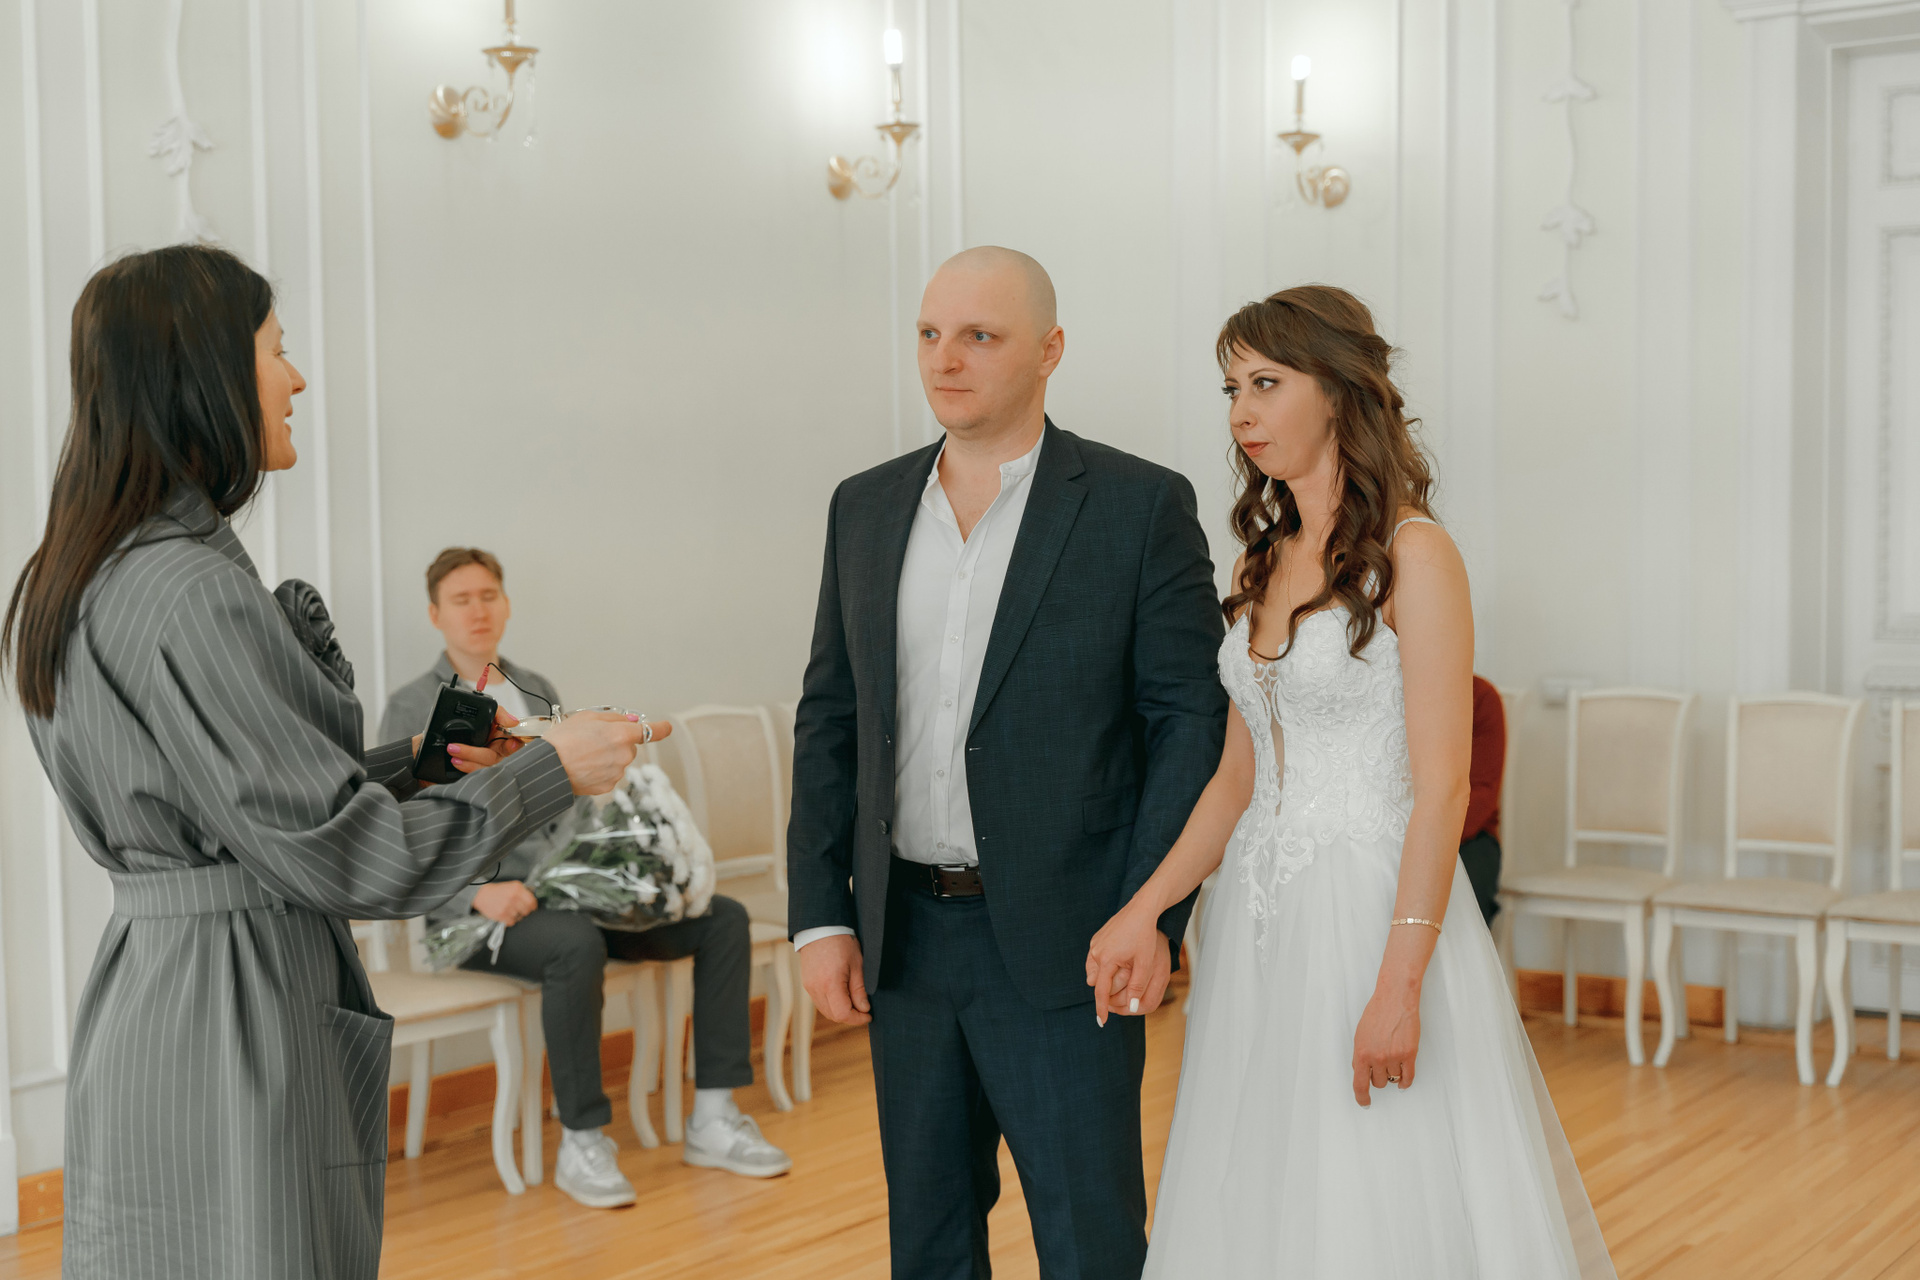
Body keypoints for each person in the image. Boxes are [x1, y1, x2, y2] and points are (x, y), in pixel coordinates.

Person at [3, 244, 655, 1280]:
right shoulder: (189, 591)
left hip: (154, 993)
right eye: (277, 351)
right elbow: (346, 857)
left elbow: (243, 802)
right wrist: (549, 770)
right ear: (203, 372)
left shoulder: (84, 573)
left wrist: (427, 762)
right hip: (241, 1005)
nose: (297, 379)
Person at [1086, 286, 1614, 1277]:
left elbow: (1444, 788)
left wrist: (1399, 986)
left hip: (1371, 913)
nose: (1242, 412)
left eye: (1266, 383)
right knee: (1266, 1183)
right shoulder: (1260, 561)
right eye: (1232, 388)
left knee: (1375, 1188)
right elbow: (1235, 780)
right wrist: (1147, 909)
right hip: (1255, 919)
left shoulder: (1417, 554)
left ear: (1337, 389)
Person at [787, 246, 1227, 1279]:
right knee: (928, 1244)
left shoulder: (1137, 504)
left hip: (1073, 941)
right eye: (930, 334)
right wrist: (820, 915)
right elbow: (830, 715)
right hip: (904, 940)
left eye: (979, 336)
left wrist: (1152, 913)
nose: (946, 359)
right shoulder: (863, 505)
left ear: (1049, 350)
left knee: (1090, 1244)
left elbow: (1186, 723)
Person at [381, 548, 791, 1207]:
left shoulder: (533, 686)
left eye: (488, 595)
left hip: (567, 893)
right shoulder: (411, 707)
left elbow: (568, 794)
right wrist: (476, 893)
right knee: (574, 944)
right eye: (461, 600)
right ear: (435, 615)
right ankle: (583, 1142)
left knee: (722, 920)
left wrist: (611, 870)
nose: (478, 610)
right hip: (479, 915)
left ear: (506, 605)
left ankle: (715, 1118)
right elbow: (400, 828)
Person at [1460, 673, 1508, 927]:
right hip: (1385, 829)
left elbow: (1483, 794)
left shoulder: (1480, 695)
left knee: (1467, 882)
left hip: (1469, 834)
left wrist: (1427, 842)